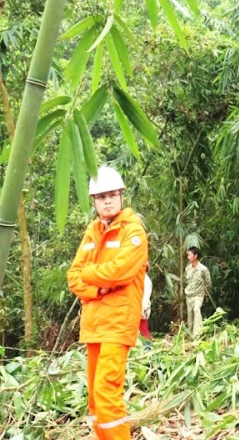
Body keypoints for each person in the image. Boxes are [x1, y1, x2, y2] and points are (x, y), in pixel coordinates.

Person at [67, 166, 149, 440]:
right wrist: (98, 288)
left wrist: (91, 276)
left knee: (107, 390)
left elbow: (121, 271)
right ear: (94, 201)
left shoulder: (133, 231)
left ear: (121, 196)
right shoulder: (92, 232)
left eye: (112, 195)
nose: (107, 200)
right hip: (93, 324)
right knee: (94, 397)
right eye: (101, 197)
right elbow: (73, 277)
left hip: (117, 323)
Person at [184, 246, 211, 337]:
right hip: (189, 295)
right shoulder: (187, 268)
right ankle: (190, 335)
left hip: (198, 296)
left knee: (196, 309)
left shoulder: (203, 269)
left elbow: (208, 283)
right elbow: (187, 281)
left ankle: (198, 334)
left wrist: (205, 293)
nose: (188, 257)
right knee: (190, 317)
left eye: (189, 255)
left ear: (195, 256)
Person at [140, 262, 153, 349]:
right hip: (140, 307)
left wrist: (142, 308)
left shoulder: (146, 281)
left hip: (142, 308)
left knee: (143, 330)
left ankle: (147, 348)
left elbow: (145, 296)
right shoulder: (142, 279)